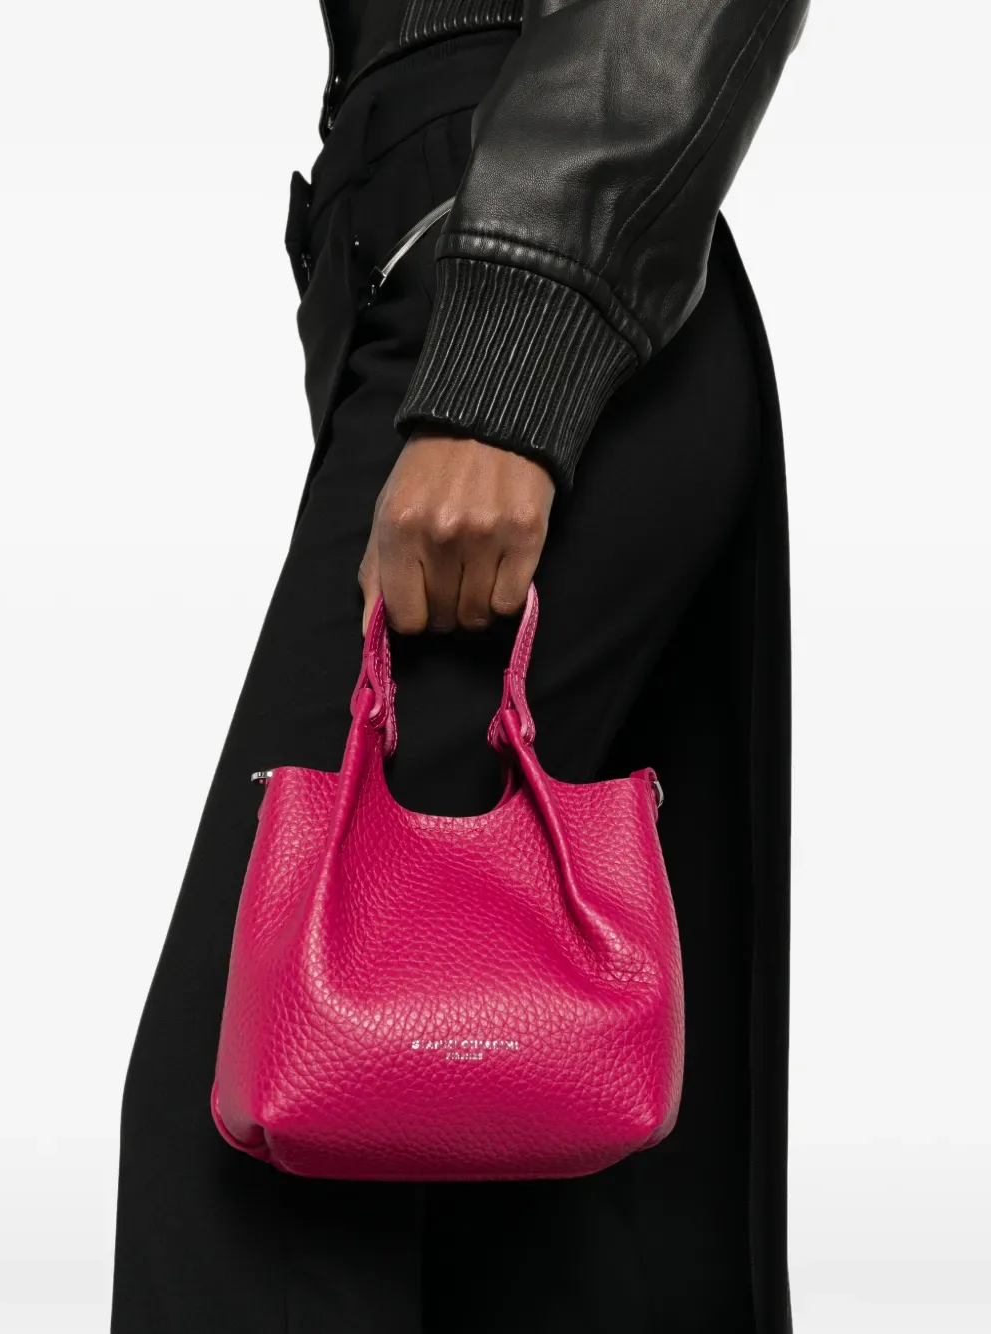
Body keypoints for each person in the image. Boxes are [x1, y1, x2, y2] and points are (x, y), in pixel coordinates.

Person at [110, 2, 809, 1330]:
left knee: (266, 1134)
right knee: (570, 1220)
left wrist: (515, 351)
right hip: (534, 253)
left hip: (532, 245)